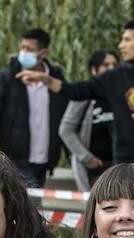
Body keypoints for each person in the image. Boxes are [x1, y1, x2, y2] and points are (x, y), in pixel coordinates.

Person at [19, 19, 134, 186]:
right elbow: (77, 91)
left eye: (127, 40)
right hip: (123, 163)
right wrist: (46, 79)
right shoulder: (114, 77)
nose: (121, 45)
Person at [0, 28, 68, 188]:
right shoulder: (6, 80)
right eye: (22, 48)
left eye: (30, 49)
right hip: (16, 160)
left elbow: (66, 119)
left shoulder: (55, 82)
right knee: (28, 206)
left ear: (44, 53)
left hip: (45, 160)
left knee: (34, 206)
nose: (24, 53)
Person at [57, 49, 117, 192]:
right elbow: (66, 130)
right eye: (106, 65)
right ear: (94, 70)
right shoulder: (84, 93)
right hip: (92, 166)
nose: (111, 69)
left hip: (118, 165)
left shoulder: (121, 95)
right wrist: (87, 158)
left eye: (115, 65)